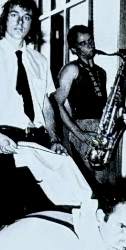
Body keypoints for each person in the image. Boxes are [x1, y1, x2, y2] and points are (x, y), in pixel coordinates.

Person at [0, 0, 66, 236]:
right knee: (2, 216)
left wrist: (54, 139)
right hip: (3, 142)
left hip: (37, 143)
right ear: (5, 19)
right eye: (14, 15)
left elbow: (46, 106)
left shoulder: (39, 61)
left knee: (38, 214)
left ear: (32, 24)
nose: (20, 22)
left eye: (26, 17)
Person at [53, 24, 112, 166]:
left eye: (90, 40)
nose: (90, 45)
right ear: (74, 49)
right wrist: (79, 134)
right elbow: (56, 103)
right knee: (88, 176)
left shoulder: (101, 72)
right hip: (83, 128)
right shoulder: (71, 69)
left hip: (102, 129)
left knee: (106, 176)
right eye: (83, 43)